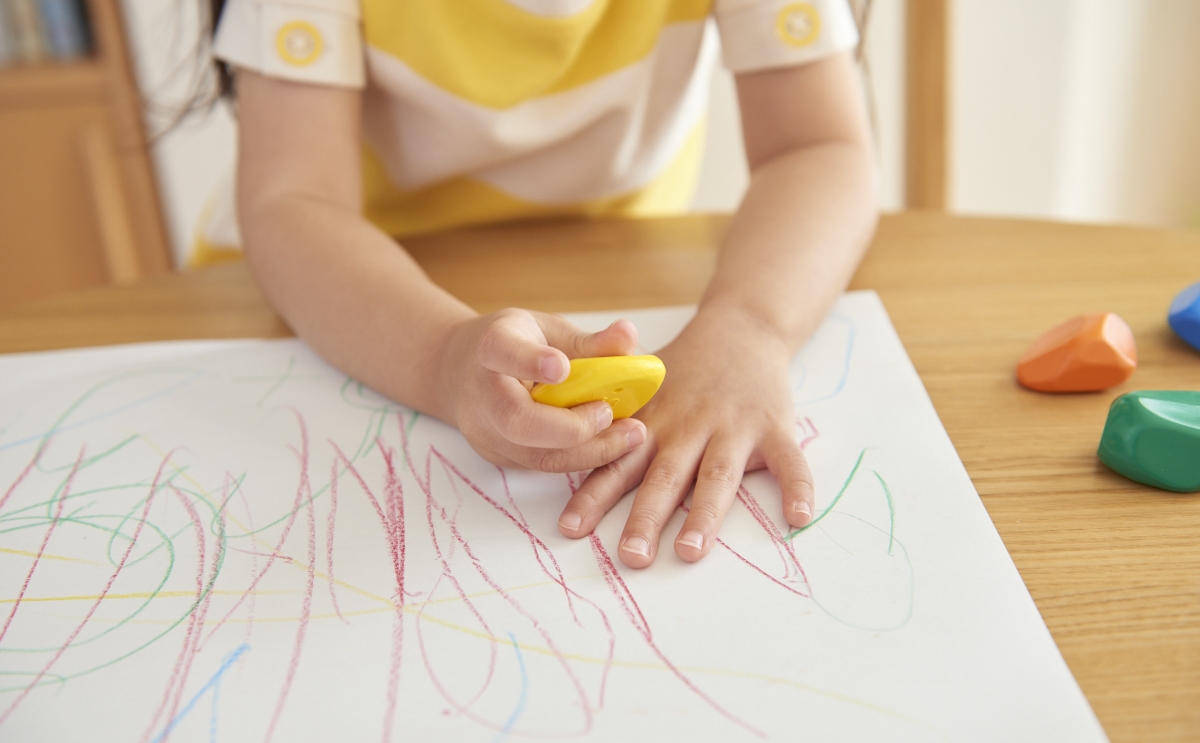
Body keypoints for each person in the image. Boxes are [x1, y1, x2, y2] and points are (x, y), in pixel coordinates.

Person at [204, 0, 879, 569]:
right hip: (343, 297)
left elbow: (817, 147)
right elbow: (292, 200)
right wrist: (442, 357)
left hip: (622, 270)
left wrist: (750, 324)